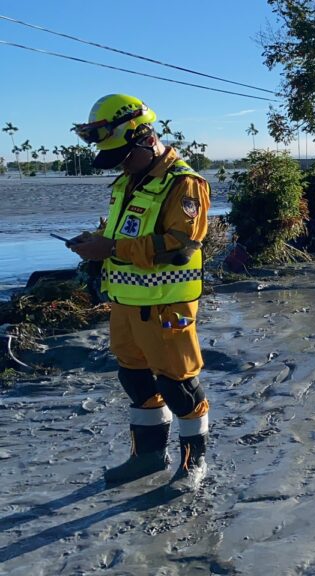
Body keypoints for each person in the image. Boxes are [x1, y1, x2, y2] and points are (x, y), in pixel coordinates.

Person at [69, 94, 212, 494]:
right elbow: (123, 235)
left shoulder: (184, 184)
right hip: (126, 303)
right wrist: (96, 242)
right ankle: (148, 457)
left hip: (167, 306)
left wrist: (111, 249)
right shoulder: (130, 180)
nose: (119, 163)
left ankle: (192, 462)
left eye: (123, 155)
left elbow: (181, 245)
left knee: (177, 384)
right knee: (134, 378)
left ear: (146, 138)